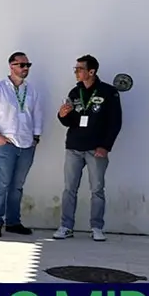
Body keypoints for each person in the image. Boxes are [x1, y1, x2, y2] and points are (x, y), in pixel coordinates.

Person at [53, 54, 122, 241]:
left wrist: (105, 146)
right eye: (75, 69)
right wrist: (62, 115)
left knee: (97, 189)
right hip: (74, 147)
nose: (76, 72)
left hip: (96, 149)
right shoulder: (75, 92)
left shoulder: (108, 92)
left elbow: (115, 122)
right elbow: (67, 121)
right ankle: (66, 226)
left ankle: (97, 227)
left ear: (91, 71)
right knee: (69, 189)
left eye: (80, 69)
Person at [0, 51, 43, 237]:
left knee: (17, 186)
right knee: (2, 184)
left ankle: (13, 222)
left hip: (27, 145)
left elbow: (38, 114)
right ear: (12, 66)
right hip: (6, 145)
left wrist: (36, 138)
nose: (26, 68)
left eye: (28, 65)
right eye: (22, 65)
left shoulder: (31, 90)